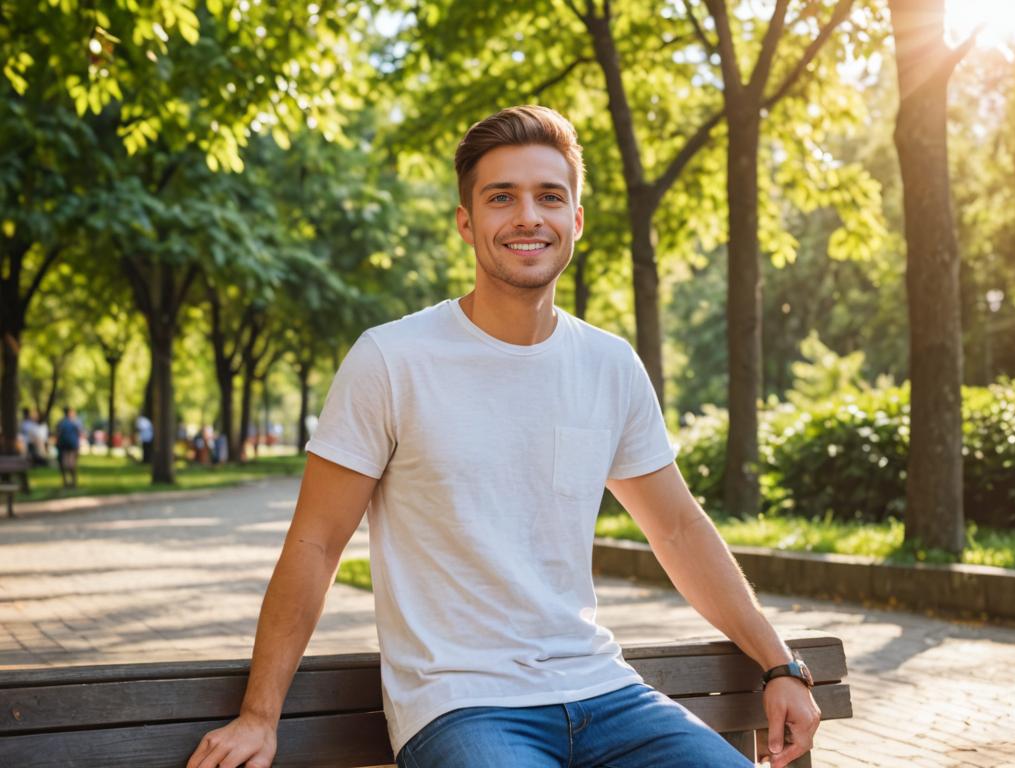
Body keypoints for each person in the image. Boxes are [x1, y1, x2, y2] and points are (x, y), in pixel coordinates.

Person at [187, 106, 819, 768]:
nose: (528, 216)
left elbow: (680, 531)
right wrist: (260, 717)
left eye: (550, 196)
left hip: (606, 693)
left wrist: (780, 665)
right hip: (462, 707)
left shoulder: (609, 366)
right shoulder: (392, 360)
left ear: (575, 220)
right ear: (466, 222)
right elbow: (315, 545)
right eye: (501, 198)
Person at [55, 406, 83, 488]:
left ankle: (66, 482)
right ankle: (73, 482)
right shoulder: (75, 422)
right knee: (71, 464)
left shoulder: (61, 423)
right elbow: (79, 434)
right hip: (72, 445)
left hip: (64, 446)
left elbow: (58, 434)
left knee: (64, 464)